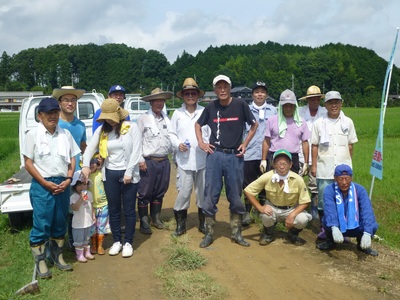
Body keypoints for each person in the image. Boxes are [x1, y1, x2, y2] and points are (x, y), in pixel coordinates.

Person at [195, 74, 258, 248]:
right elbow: (198, 125)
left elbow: (254, 125)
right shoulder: (211, 107)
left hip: (234, 156)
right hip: (215, 155)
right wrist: (201, 142)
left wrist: (245, 144)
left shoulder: (240, 105)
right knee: (211, 194)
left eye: (225, 87)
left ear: (230, 88)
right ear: (215, 89)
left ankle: (236, 233)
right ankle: (209, 233)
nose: (222, 90)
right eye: (218, 87)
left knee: (235, 195)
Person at [22, 97, 80, 278]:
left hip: (62, 183)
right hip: (42, 185)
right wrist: (45, 183)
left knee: (59, 221)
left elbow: (72, 158)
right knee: (42, 223)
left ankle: (58, 257)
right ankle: (41, 262)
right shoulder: (32, 135)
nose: (52, 116)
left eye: (55, 112)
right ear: (40, 116)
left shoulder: (65, 134)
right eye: (48, 113)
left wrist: (69, 178)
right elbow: (28, 163)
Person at [82, 98, 142, 258]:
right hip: (110, 173)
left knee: (129, 209)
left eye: (111, 116)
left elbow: (137, 151)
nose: (108, 120)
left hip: (129, 174)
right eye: (106, 116)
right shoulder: (102, 131)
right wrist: (85, 166)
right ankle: (117, 241)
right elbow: (89, 149)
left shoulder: (132, 128)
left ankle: (128, 241)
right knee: (114, 209)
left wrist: (129, 171)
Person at [311, 91, 358, 239]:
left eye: (336, 102)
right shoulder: (319, 123)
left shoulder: (348, 122)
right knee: (324, 200)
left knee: (343, 198)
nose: (334, 105)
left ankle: (343, 228)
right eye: (331, 102)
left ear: (341, 103)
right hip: (325, 167)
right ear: (325, 105)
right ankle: (325, 228)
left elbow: (350, 145)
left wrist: (349, 166)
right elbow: (314, 145)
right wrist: (313, 165)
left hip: (343, 169)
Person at [244, 149, 312, 245]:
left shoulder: (298, 179)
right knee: (266, 215)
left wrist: (292, 215)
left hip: (291, 209)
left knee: (303, 219)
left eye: (285, 163)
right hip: (273, 207)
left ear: (290, 165)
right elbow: (248, 191)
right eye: (279, 163)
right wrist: (260, 207)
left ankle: (293, 234)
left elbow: (305, 201)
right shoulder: (268, 176)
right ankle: (269, 233)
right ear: (273, 164)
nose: (282, 167)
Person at [169, 78, 209, 236]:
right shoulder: (177, 114)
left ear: (198, 95)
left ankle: (203, 223)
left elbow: (210, 133)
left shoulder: (204, 111)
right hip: (184, 159)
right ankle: (180, 224)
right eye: (187, 93)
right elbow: (171, 133)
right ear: (183, 96)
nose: (190, 96)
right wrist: (178, 143)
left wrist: (206, 143)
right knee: (184, 192)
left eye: (193, 93)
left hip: (202, 158)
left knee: (202, 192)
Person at [52, 85, 87, 251]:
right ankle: (58, 245)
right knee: (60, 210)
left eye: (73, 100)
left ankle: (75, 243)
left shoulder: (80, 125)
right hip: (58, 172)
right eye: (66, 100)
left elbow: (83, 146)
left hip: (76, 174)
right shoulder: (53, 123)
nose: (70, 103)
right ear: (59, 103)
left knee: (75, 209)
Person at [316, 164, 379, 256]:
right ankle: (330, 241)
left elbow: (367, 211)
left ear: (351, 178)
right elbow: (329, 210)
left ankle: (362, 244)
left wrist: (368, 233)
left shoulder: (360, 190)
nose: (344, 182)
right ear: (335, 178)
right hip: (338, 226)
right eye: (341, 179)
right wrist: (334, 227)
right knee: (326, 220)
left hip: (356, 226)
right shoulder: (329, 190)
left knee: (372, 224)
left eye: (347, 178)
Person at [137, 88, 173, 234]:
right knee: (145, 192)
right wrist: (140, 160)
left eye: (162, 100)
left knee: (160, 190)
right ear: (151, 102)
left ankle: (156, 219)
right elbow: (137, 141)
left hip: (164, 160)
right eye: (156, 100)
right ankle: (144, 221)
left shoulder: (167, 119)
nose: (159, 103)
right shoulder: (143, 119)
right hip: (149, 160)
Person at [242, 81, 277, 226]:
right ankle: (247, 211)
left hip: (267, 154)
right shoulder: (246, 109)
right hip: (249, 153)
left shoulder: (273, 110)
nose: (260, 94)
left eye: (262, 92)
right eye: (257, 92)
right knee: (248, 183)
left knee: (265, 183)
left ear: (266, 95)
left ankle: (261, 209)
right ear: (252, 94)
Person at [260, 89, 310, 175]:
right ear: (281, 106)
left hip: (293, 158)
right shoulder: (272, 120)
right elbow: (266, 141)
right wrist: (263, 159)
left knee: (292, 186)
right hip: (275, 156)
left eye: (291, 105)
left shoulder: (301, 122)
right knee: (274, 186)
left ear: (295, 106)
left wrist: (306, 162)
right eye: (285, 105)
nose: (288, 108)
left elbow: (305, 142)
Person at [298, 85, 327, 219]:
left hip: (318, 155)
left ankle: (314, 210)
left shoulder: (325, 113)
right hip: (299, 153)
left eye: (317, 99)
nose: (315, 101)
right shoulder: (300, 112)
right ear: (307, 100)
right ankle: (294, 208)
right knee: (295, 182)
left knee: (315, 185)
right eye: (312, 99)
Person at [70, 170, 95, 263]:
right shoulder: (73, 197)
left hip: (87, 221)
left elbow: (91, 205)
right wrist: (81, 198)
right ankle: (79, 255)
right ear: (75, 186)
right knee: (78, 240)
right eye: (79, 185)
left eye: (84, 184)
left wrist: (93, 215)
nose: (82, 187)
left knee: (86, 238)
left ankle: (87, 252)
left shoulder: (89, 194)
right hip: (78, 223)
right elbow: (75, 208)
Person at [88, 157, 110, 255]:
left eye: (94, 163)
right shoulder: (85, 177)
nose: (92, 165)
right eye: (89, 163)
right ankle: (93, 245)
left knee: (101, 226)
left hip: (103, 204)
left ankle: (100, 245)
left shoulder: (101, 174)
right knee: (92, 226)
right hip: (90, 206)